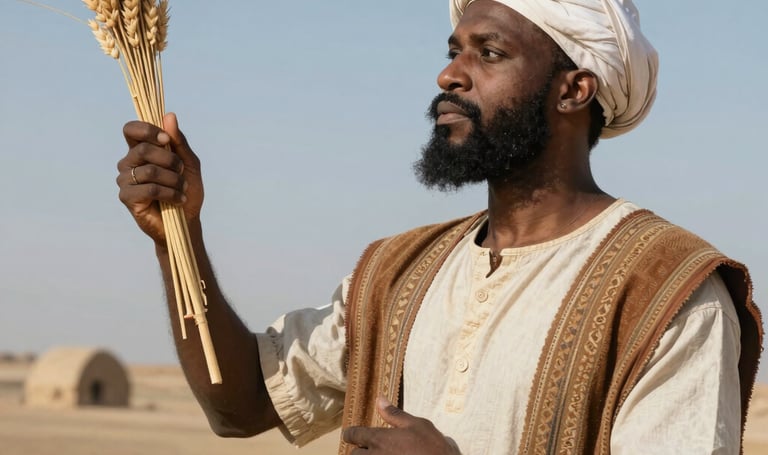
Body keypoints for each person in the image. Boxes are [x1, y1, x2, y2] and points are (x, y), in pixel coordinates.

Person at [116, 0, 762, 453]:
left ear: (574, 90)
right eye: (454, 50)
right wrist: (181, 234)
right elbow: (243, 405)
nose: (450, 74)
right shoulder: (399, 272)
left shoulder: (666, 291)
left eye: (489, 52)